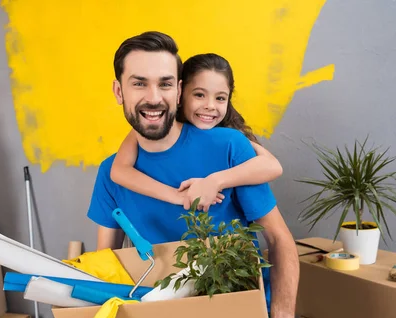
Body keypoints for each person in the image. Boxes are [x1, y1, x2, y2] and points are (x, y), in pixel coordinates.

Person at [62, 31, 299, 318]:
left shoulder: (229, 147)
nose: (154, 97)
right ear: (118, 91)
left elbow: (281, 240)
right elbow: (104, 269)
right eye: (139, 83)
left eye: (165, 84)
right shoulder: (113, 171)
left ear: (178, 90)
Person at [110, 52, 283, 212]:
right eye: (199, 95)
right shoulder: (154, 127)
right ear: (179, 94)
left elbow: (272, 166)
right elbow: (119, 170)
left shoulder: (230, 138)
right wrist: (176, 195)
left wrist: (214, 181)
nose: (210, 105)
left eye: (220, 98)